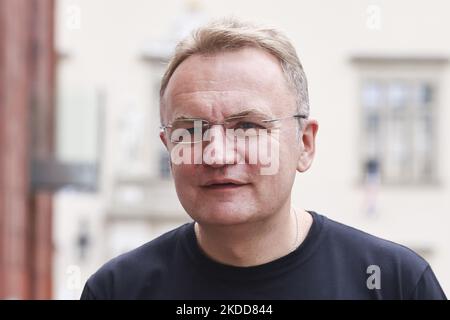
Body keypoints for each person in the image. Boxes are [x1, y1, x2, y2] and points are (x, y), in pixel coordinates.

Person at [81, 18, 446, 300]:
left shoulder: (393, 282)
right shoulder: (120, 289)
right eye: (191, 130)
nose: (217, 153)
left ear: (304, 144)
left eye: (248, 127)